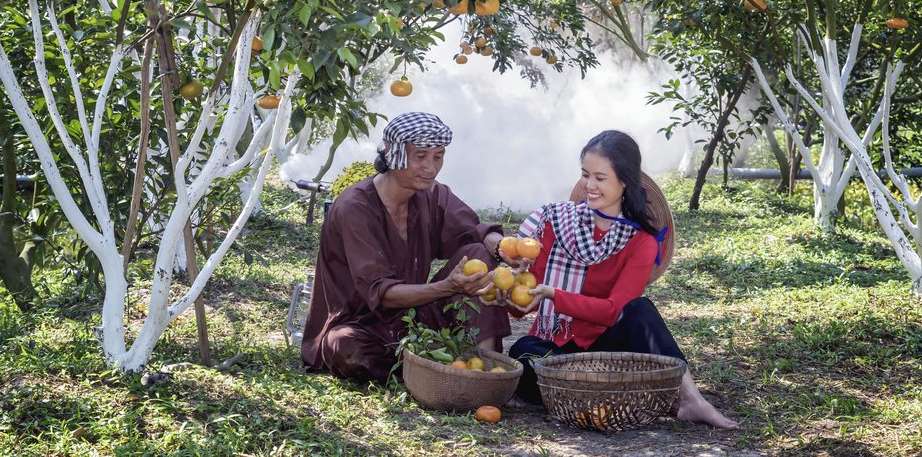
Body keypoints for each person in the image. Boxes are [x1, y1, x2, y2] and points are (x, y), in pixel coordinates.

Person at [489, 129, 738, 429]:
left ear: (624, 181)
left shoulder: (642, 241)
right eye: (585, 175)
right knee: (524, 352)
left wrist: (555, 295)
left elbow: (612, 311)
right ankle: (608, 394)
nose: (590, 185)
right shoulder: (559, 224)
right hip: (556, 350)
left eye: (600, 178)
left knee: (641, 311)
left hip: (608, 349)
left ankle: (690, 400)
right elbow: (530, 300)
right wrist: (509, 301)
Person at [301, 112, 514, 382]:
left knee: (478, 254)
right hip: (361, 325)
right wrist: (448, 286)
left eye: (438, 156)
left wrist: (503, 249)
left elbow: (473, 232)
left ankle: (484, 371)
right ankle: (430, 367)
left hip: (414, 318)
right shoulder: (355, 207)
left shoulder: (433, 194)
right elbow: (382, 293)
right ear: (393, 154)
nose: (431, 168)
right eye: (420, 156)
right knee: (345, 348)